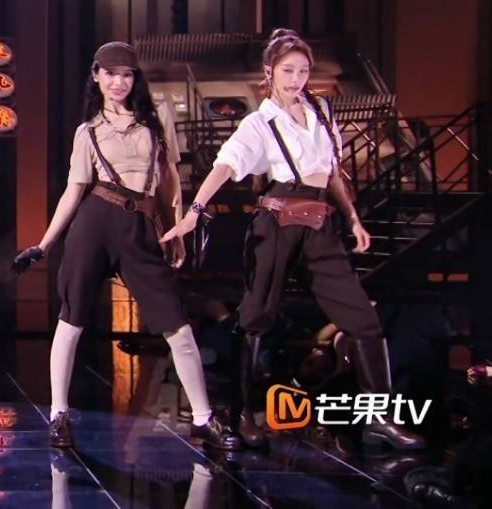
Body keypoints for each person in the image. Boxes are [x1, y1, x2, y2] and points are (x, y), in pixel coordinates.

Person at [161, 28, 425, 450]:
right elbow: (225, 166)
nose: (296, 79)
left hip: (320, 222)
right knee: (256, 318)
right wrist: (194, 212)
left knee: (363, 319)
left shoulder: (321, 110)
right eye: (288, 70)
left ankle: (379, 419)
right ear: (269, 71)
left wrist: (353, 219)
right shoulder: (259, 122)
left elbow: (332, 173)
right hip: (277, 220)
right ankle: (242, 413)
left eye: (303, 70)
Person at [13, 41, 240, 450]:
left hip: (141, 226)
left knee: (176, 323)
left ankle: (203, 418)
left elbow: (170, 181)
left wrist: (175, 230)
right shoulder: (88, 132)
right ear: (96, 76)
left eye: (126, 75)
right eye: (111, 74)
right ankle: (59, 415)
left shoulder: (156, 121)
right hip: (95, 221)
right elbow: (73, 190)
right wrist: (45, 244)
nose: (118, 82)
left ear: (135, 79)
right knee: (72, 318)